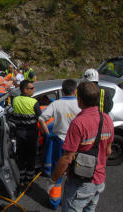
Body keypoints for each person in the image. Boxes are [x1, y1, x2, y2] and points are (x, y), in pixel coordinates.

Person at [49, 81, 114, 212]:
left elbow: (67, 158)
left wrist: (53, 179)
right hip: (99, 181)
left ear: (79, 100)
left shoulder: (79, 123)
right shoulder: (107, 119)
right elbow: (108, 151)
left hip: (80, 183)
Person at [38, 79, 81, 210]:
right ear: (75, 91)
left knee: (57, 173)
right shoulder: (80, 105)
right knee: (75, 173)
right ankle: (72, 201)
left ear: (62, 90)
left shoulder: (56, 104)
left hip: (59, 141)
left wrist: (48, 134)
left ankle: (54, 201)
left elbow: (41, 118)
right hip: (76, 143)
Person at [11, 80, 46, 185]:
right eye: (32, 88)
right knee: (31, 157)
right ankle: (29, 179)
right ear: (25, 90)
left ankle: (21, 178)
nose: (34, 90)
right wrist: (45, 132)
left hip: (19, 133)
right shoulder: (34, 102)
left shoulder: (15, 100)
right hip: (31, 134)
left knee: (21, 156)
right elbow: (41, 119)